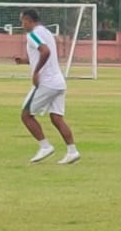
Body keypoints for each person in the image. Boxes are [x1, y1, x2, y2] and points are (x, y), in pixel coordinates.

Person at [16, 9, 80, 165]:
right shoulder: (47, 33)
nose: (22, 25)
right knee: (56, 118)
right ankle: (72, 151)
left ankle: (45, 146)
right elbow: (44, 54)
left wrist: (36, 72)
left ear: (28, 20)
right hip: (59, 82)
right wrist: (25, 60)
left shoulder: (32, 35)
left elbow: (45, 52)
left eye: (22, 21)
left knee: (26, 115)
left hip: (47, 83)